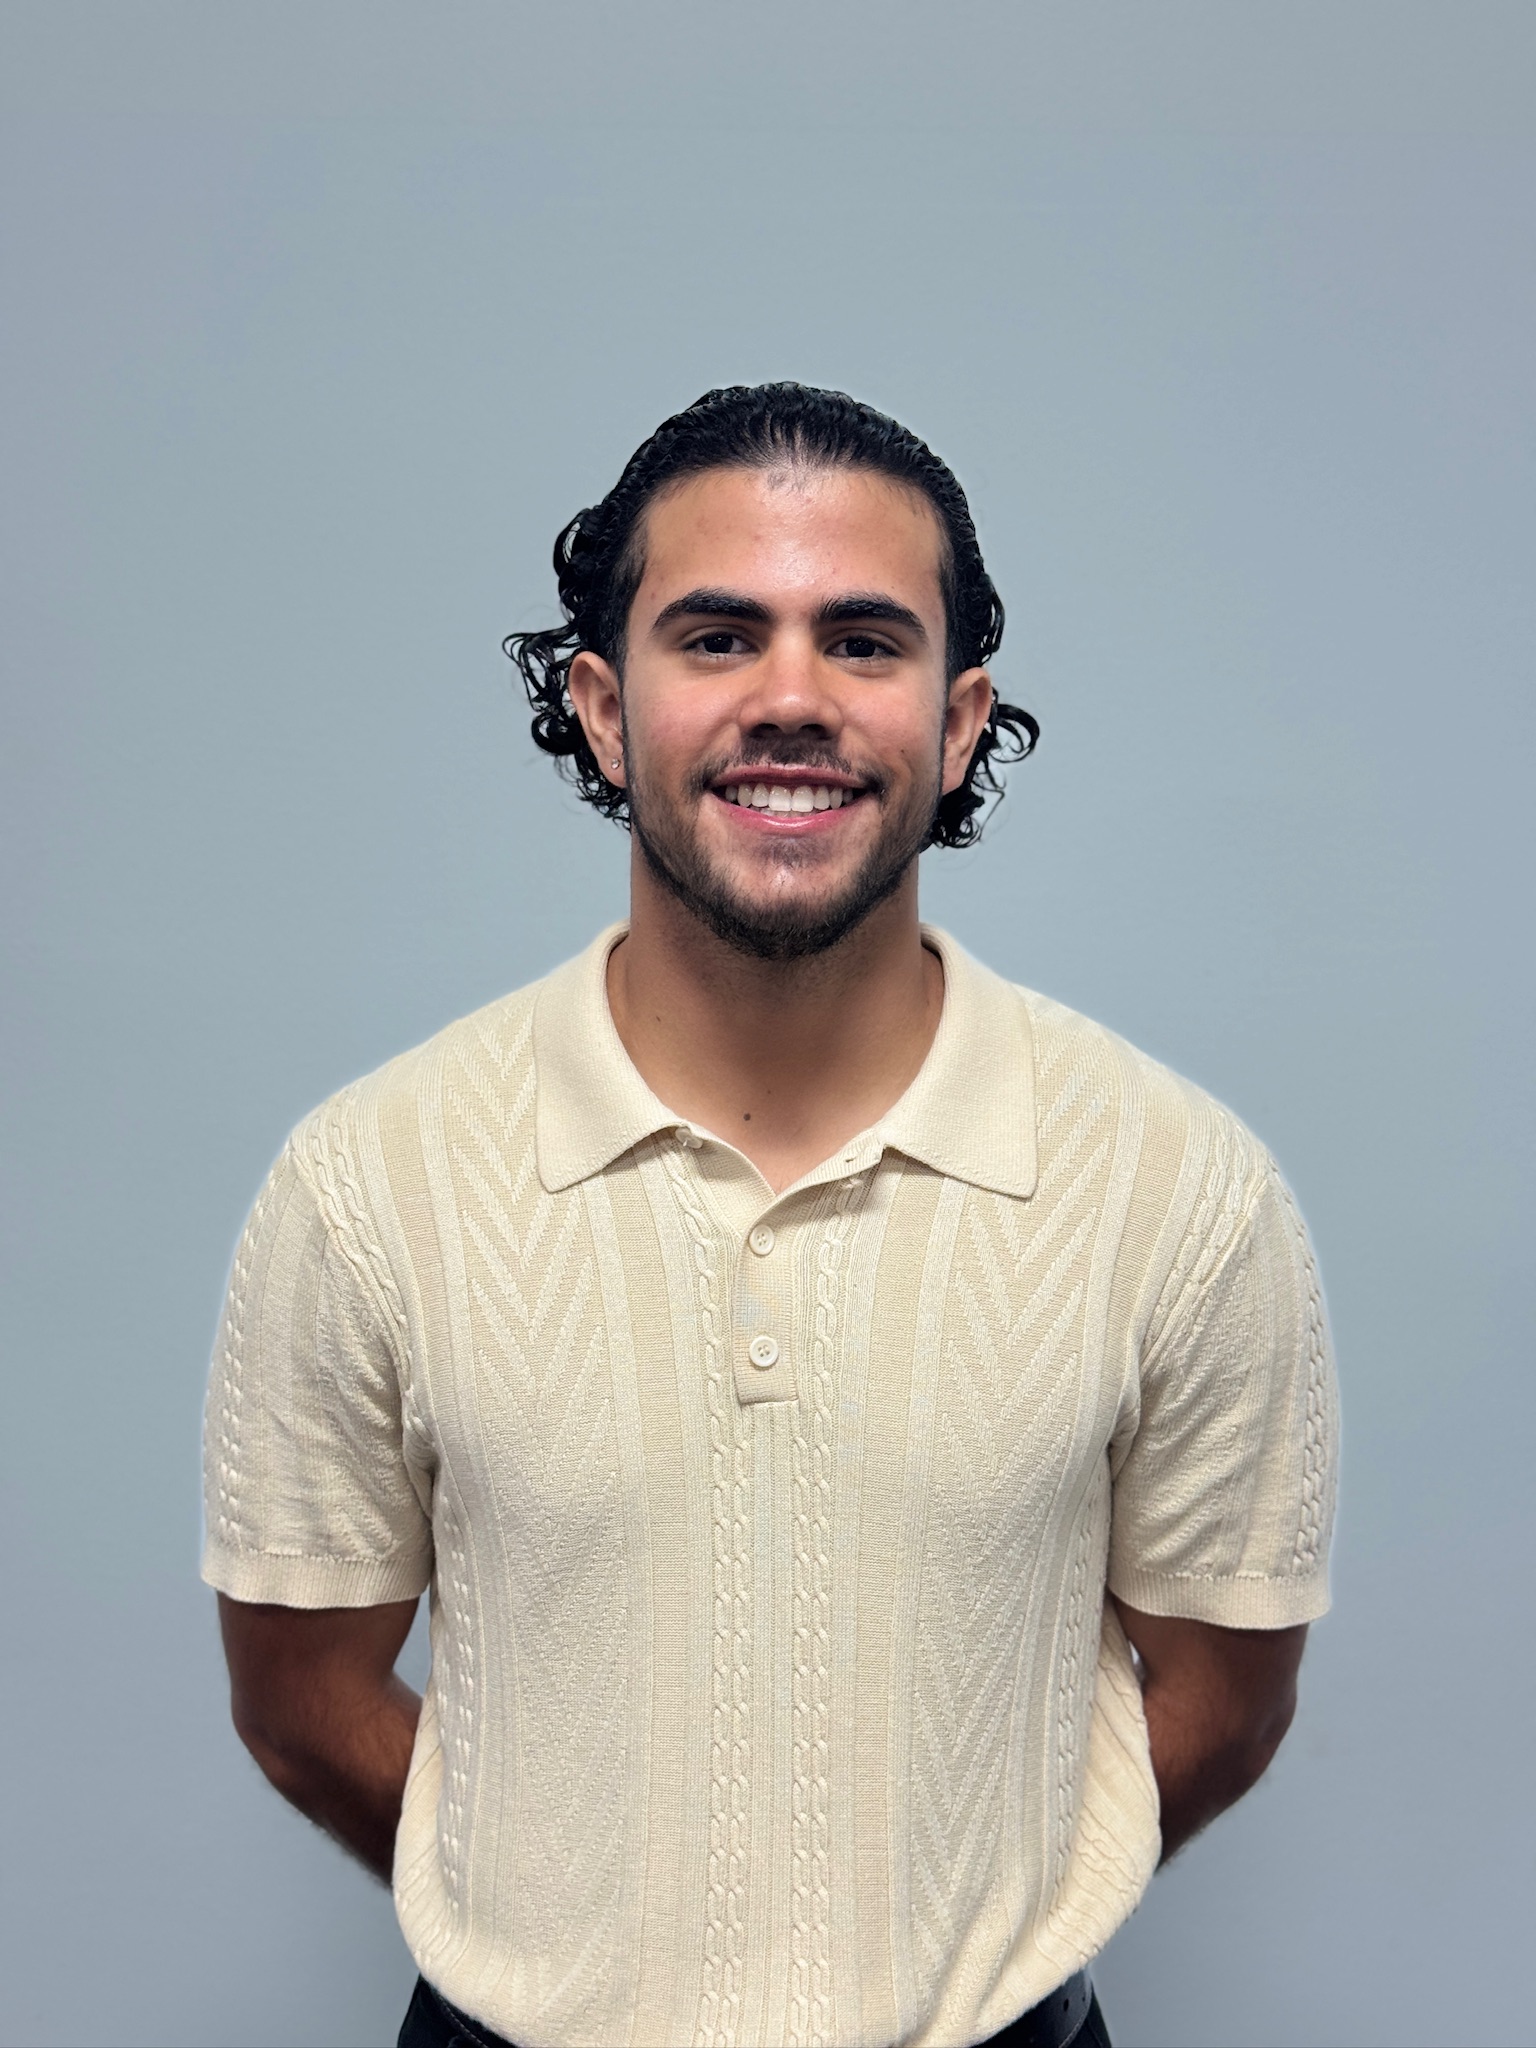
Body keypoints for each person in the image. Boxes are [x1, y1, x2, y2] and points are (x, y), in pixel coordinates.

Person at [204, 383, 1338, 2048]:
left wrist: (968, 1929)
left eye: (866, 642)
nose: (792, 698)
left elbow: (1229, 1703)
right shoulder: (370, 1182)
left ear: (959, 725)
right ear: (602, 708)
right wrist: (560, 1926)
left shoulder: (1186, 1191)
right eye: (719, 637)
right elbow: (299, 1700)